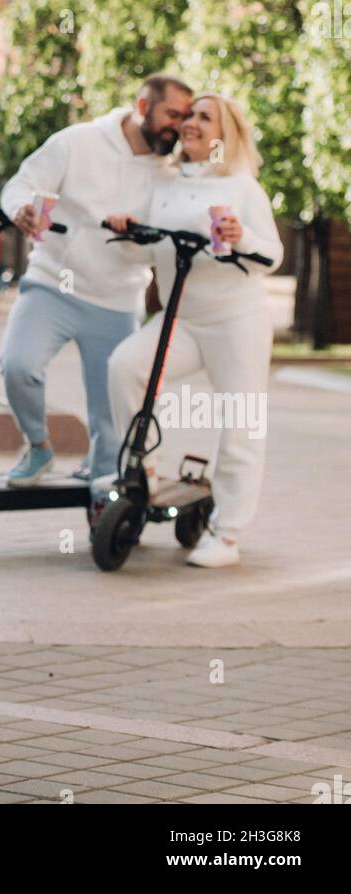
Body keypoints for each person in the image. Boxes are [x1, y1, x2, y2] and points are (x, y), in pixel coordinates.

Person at [103, 92, 283, 567]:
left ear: (227, 134)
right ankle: (141, 478)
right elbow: (144, 250)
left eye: (206, 117)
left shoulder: (243, 187)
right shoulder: (165, 182)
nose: (191, 123)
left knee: (241, 420)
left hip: (236, 320)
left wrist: (239, 236)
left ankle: (227, 534)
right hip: (181, 318)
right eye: (188, 115)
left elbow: (272, 255)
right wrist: (129, 231)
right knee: (124, 367)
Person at [0, 74, 194, 487]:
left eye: (185, 117)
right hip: (52, 284)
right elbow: (22, 183)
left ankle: (106, 506)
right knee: (18, 365)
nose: (178, 125)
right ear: (143, 107)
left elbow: (162, 245)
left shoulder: (171, 174)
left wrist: (137, 235)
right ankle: (38, 447)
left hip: (117, 300)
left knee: (110, 416)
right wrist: (20, 209)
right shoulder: (78, 141)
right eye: (171, 114)